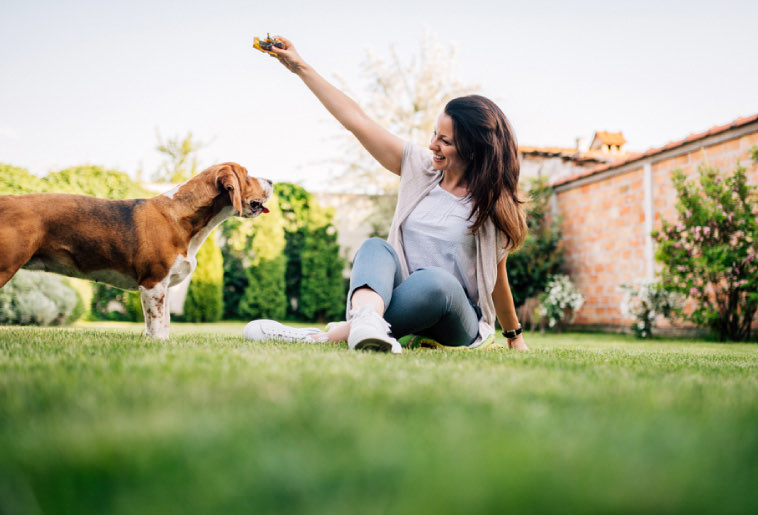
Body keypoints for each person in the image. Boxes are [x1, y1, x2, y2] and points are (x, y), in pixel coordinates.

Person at [244, 35, 528, 353]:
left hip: (455, 317)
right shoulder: (420, 169)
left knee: (437, 282)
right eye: (435, 133)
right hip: (401, 301)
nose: (433, 144)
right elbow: (357, 120)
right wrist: (300, 67)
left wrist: (514, 336)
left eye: (445, 141)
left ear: (473, 150)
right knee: (376, 247)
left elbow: (498, 280)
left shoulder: (490, 205)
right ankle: (367, 323)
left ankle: (322, 337)